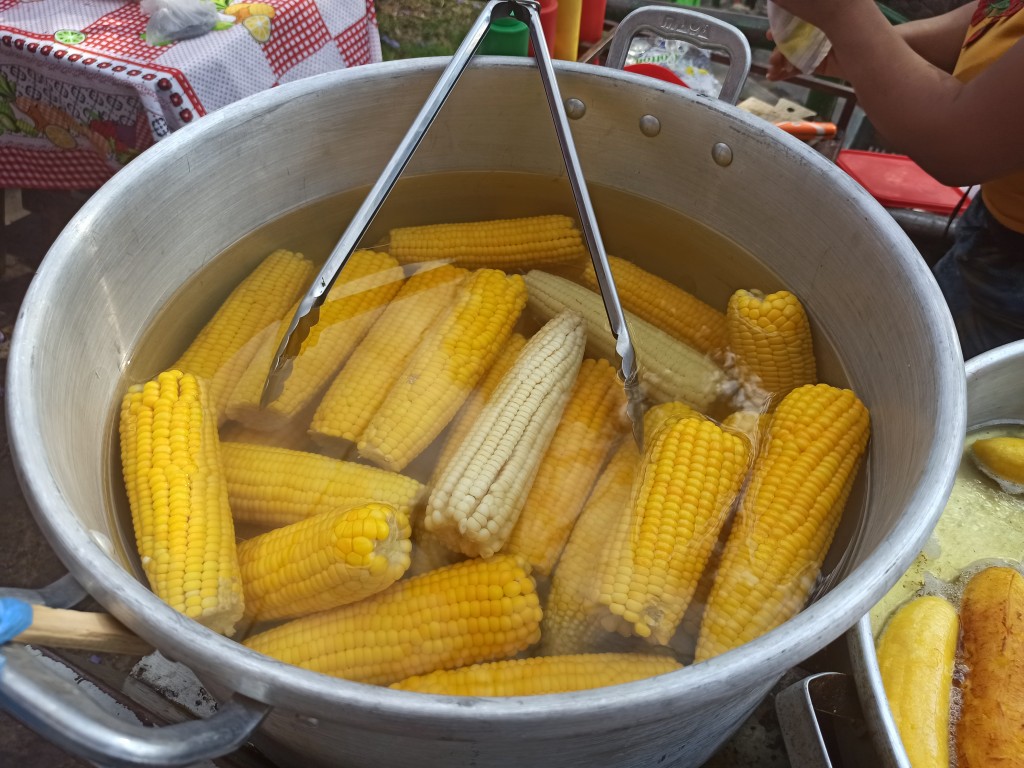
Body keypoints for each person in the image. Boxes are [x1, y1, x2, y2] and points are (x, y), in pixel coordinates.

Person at [766, 0, 1024, 359]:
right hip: (990, 227)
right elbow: (997, 13)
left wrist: (844, 16)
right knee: (920, 350)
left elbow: (958, 145)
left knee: (932, 373)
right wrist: (867, 46)